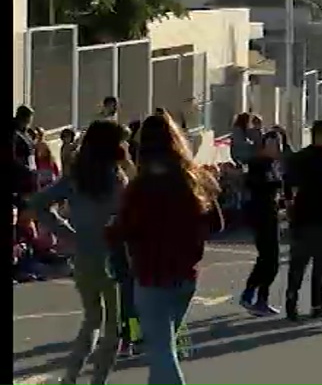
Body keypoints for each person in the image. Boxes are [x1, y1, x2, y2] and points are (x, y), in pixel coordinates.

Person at [106, 112, 223, 385]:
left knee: (162, 353)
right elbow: (216, 223)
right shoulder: (193, 179)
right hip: (185, 276)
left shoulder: (140, 188)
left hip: (151, 276)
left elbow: (123, 230)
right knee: (161, 350)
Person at [30, 120, 129, 385]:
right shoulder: (117, 177)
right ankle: (97, 381)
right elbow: (126, 215)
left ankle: (70, 377)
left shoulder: (76, 177)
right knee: (113, 326)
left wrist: (66, 233)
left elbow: (39, 203)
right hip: (113, 255)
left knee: (91, 320)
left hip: (83, 252)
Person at [283, 120, 322, 321]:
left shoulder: (297, 158)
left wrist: (290, 208)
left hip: (301, 216)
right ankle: (317, 302)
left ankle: (291, 297)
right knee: (319, 264)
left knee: (297, 262)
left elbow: (288, 187)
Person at [239, 131, 285, 316]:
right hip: (261, 215)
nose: (276, 148)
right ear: (264, 145)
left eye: (278, 144)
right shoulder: (258, 164)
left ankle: (256, 296)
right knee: (270, 259)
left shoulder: (274, 164)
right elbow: (257, 185)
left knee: (268, 259)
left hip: (271, 214)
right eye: (272, 144)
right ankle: (255, 296)